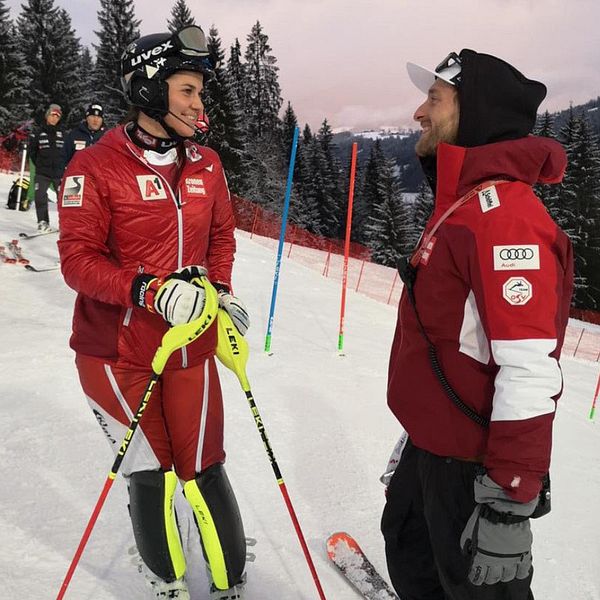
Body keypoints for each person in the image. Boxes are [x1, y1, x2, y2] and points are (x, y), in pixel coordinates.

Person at [57, 25, 250, 600]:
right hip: (115, 352)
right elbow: (77, 262)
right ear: (149, 87)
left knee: (203, 463)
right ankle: (167, 582)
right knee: (153, 469)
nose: (198, 105)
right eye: (187, 91)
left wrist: (222, 291)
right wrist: (147, 289)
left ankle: (231, 582)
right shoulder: (92, 167)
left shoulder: (208, 164)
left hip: (189, 341)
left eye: (200, 93)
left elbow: (221, 237)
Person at [381, 50, 574, 600]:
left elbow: (531, 367)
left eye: (435, 99)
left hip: (474, 471)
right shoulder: (464, 206)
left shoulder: (505, 219)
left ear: (478, 113)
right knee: (413, 557)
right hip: (433, 450)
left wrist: (510, 503)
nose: (420, 112)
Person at [29, 103, 65, 231]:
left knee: (65, 200)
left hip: (59, 174)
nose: (54, 118)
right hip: (42, 172)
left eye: (57, 116)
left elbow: (67, 152)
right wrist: (40, 163)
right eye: (52, 115)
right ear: (47, 116)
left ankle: (66, 224)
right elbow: (32, 151)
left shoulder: (63, 133)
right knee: (40, 197)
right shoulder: (38, 133)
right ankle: (43, 221)